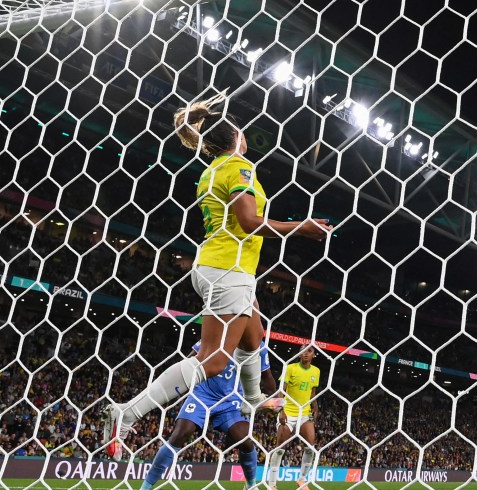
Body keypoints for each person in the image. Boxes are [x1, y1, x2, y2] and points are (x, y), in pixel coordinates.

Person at [103, 92, 332, 457]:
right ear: (237, 137)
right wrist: (301, 227)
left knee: (253, 339)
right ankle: (127, 412)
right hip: (228, 269)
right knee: (213, 360)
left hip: (222, 267)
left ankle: (254, 399)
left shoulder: (211, 172)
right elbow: (249, 221)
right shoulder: (239, 167)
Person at [128, 344, 274, 490]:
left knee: (245, 441)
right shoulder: (221, 331)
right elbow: (190, 360)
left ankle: (251, 486)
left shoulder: (257, 345)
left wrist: (275, 401)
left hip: (232, 399)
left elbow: (266, 376)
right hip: (202, 394)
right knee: (180, 435)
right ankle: (144, 489)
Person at [265, 342, 324, 490]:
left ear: (313, 355)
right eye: (302, 350)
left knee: (310, 447)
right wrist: (281, 410)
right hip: (288, 413)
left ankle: (302, 479)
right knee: (280, 448)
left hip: (304, 413)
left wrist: (315, 407)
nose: (305, 353)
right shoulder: (290, 368)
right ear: (299, 354)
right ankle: (271, 484)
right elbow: (281, 391)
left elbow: (312, 392)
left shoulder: (316, 371)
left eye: (309, 351)